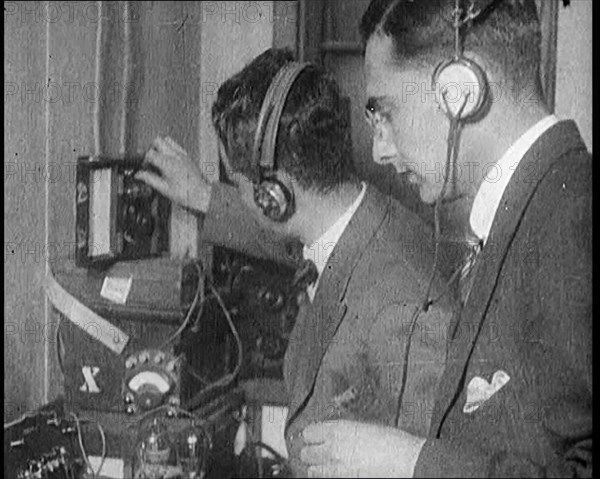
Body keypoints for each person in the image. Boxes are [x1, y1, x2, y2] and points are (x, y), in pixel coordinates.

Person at [296, 0, 592, 477]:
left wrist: (408, 462)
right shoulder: (530, 211)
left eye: (387, 112)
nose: (379, 148)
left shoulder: (574, 220)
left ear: (461, 92)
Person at [136, 48, 458, 477]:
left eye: (239, 185)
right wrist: (206, 196)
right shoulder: (360, 223)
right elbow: (286, 241)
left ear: (272, 197)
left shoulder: (404, 310)